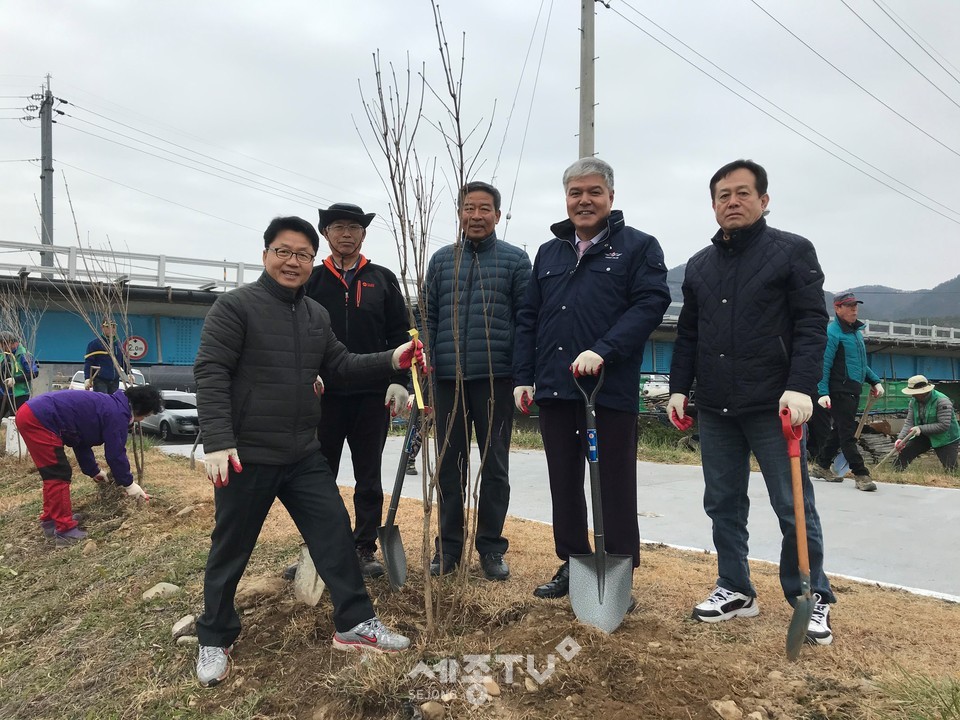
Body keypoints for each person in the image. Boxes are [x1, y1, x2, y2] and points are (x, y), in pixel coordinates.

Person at [193, 216, 424, 688]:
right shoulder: (235, 308)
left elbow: (339, 364)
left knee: (335, 535)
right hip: (246, 455)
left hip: (301, 453)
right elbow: (211, 371)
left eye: (301, 254)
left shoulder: (314, 314)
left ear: (309, 260)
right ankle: (215, 635)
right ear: (265, 255)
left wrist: (390, 360)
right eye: (283, 251)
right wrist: (217, 439)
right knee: (231, 549)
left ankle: (354, 623)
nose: (292, 261)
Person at [667, 159, 837, 646]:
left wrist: (802, 385)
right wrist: (681, 387)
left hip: (774, 403)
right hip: (717, 405)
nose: (732, 202)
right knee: (722, 501)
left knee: (791, 503)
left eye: (743, 193)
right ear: (713, 204)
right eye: (723, 195)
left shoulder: (792, 252)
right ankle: (735, 587)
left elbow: (810, 324)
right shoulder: (699, 266)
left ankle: (812, 594)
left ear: (764, 200)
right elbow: (689, 334)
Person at [514, 157, 670, 602]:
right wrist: (524, 377)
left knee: (615, 485)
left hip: (609, 391)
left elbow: (649, 304)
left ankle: (620, 572)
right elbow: (529, 317)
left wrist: (603, 349)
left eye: (593, 192)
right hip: (556, 390)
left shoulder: (639, 247)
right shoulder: (549, 252)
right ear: (566, 199)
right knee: (563, 483)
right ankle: (574, 563)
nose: (584, 201)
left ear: (611, 197)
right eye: (575, 193)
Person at [425, 181, 531, 581]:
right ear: (459, 213)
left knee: (494, 467)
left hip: (496, 379)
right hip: (448, 380)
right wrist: (429, 370)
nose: (476, 215)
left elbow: (526, 322)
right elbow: (429, 318)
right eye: (468, 208)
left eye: (484, 208)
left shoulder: (516, 261)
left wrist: (523, 376)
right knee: (449, 467)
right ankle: (448, 550)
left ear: (498, 215)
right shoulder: (440, 261)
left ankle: (490, 548)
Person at [303, 202, 411, 579]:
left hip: (371, 394)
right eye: (337, 227)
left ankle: (364, 546)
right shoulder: (310, 281)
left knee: (369, 476)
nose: (345, 233)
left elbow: (401, 334)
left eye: (353, 227)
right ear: (325, 234)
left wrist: (400, 380)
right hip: (323, 395)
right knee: (319, 475)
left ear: (363, 234)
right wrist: (305, 374)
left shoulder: (382, 279)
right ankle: (321, 547)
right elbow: (295, 332)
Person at [15, 385, 158, 545]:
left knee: (54, 474)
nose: (142, 420)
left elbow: (80, 440)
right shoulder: (117, 414)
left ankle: (52, 521)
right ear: (139, 409)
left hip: (34, 414)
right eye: (145, 416)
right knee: (57, 474)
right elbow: (115, 454)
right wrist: (129, 484)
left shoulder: (112, 405)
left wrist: (93, 470)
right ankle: (65, 529)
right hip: (40, 419)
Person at [809, 292, 885, 491]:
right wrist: (823, 392)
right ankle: (861, 474)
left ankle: (822, 465)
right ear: (837, 308)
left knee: (840, 430)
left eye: (855, 305)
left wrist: (875, 381)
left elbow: (860, 365)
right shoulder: (833, 333)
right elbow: (824, 365)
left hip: (852, 389)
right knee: (848, 433)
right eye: (849, 305)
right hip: (839, 389)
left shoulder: (855, 333)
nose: (854, 309)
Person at [893, 375, 959, 473]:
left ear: (923, 391)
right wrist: (901, 439)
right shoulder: (913, 401)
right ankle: (894, 473)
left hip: (946, 437)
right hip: (924, 434)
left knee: (951, 469)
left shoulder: (942, 401)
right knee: (906, 451)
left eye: (915, 393)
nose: (913, 395)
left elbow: (944, 425)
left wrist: (920, 428)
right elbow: (909, 422)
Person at [84, 318, 134, 394]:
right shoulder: (94, 344)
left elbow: (123, 361)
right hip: (100, 380)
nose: (111, 329)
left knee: (113, 401)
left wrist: (129, 373)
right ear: (102, 328)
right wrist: (87, 378)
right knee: (103, 401)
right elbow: (89, 362)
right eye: (108, 327)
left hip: (115, 380)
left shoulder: (118, 345)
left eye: (113, 327)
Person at [0, 331, 38, 417]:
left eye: (3, 345)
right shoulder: (4, 355)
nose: (2, 348)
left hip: (19, 393)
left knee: (16, 419)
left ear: (10, 343)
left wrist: (15, 380)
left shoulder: (24, 355)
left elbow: (34, 373)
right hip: (3, 392)